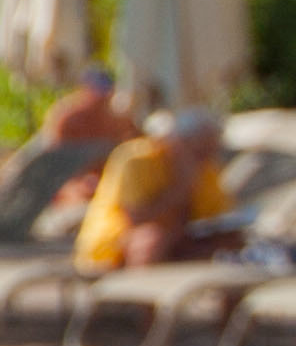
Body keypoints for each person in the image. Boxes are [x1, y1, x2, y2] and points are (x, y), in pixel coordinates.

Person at [75, 104, 231, 271]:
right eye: (199, 150)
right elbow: (135, 219)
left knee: (229, 240)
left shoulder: (205, 166)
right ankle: (135, 292)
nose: (206, 157)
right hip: (114, 242)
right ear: (177, 142)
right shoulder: (137, 160)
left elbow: (217, 215)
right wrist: (181, 187)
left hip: (178, 234)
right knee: (152, 239)